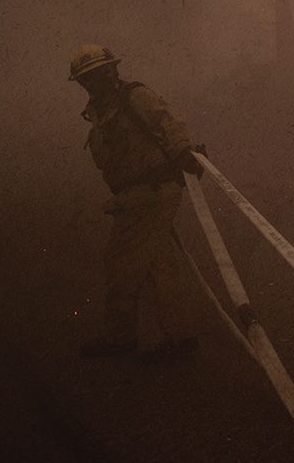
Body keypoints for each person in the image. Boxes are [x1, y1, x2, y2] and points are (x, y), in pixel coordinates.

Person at [69, 44, 204, 363]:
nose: (98, 80)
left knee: (120, 261)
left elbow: (167, 120)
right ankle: (180, 337)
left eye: (102, 72)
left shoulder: (134, 96)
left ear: (113, 70)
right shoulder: (100, 112)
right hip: (135, 196)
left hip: (151, 192)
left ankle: (120, 337)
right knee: (159, 264)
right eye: (89, 77)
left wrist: (183, 152)